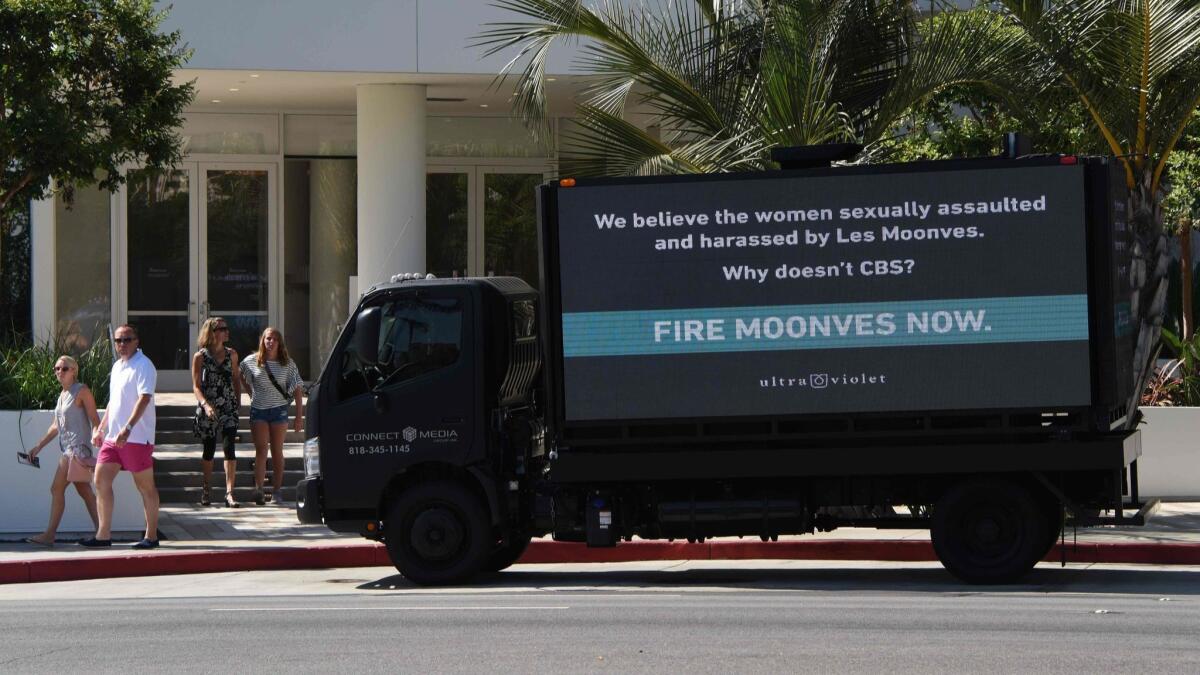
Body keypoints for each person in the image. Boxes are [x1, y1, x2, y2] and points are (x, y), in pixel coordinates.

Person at [84, 324, 160, 549]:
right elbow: (113, 402)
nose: (122, 344)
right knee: (100, 480)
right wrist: (101, 428)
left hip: (136, 437)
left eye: (127, 339)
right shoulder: (117, 366)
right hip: (113, 439)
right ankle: (103, 535)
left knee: (145, 487)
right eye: (118, 341)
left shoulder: (144, 366)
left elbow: (144, 399)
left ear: (137, 341)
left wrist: (127, 428)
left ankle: (152, 536)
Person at [24, 356, 101, 546]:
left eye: (64, 368)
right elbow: (55, 426)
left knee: (56, 489)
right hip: (68, 450)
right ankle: (103, 532)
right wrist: (39, 446)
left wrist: (96, 436)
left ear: (74, 370)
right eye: (56, 369)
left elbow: (95, 419)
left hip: (77, 451)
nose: (59, 372)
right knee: (85, 492)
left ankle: (50, 534)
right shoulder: (62, 395)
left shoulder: (81, 391)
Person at [240, 327, 303, 506]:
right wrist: (250, 392)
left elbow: (298, 389)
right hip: (259, 409)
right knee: (261, 450)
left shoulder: (287, 364)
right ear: (263, 340)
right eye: (268, 338)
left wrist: (298, 416)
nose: (271, 342)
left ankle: (277, 490)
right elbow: (240, 373)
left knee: (277, 451)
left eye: (274, 339)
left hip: (279, 411)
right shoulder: (252, 361)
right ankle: (259, 489)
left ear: (279, 342)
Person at [191, 317, 242, 508]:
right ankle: (206, 488)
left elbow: (236, 378)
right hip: (209, 406)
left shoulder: (232, 354)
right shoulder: (200, 357)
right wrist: (205, 404)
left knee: (229, 447)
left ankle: (229, 493)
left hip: (227, 406)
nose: (226, 332)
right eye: (222, 328)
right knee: (209, 449)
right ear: (212, 332)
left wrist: (237, 401)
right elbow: (195, 386)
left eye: (227, 328)